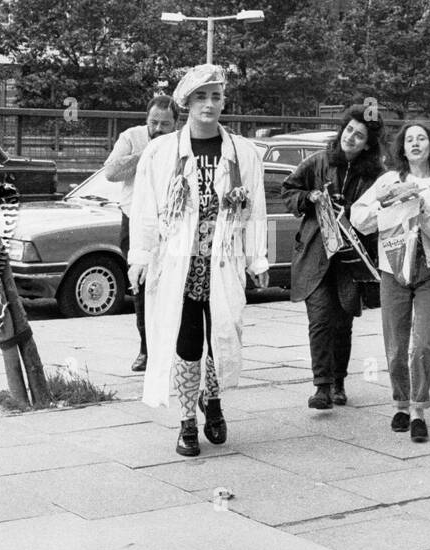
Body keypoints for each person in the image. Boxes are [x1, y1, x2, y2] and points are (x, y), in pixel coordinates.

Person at [128, 64, 268, 457]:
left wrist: (258, 259)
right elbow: (145, 209)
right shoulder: (161, 152)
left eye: (216, 97)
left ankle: (215, 401)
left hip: (223, 261)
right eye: (200, 97)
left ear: (224, 102)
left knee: (221, 337)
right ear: (186, 103)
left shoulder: (243, 152)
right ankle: (188, 419)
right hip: (179, 264)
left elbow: (255, 209)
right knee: (187, 342)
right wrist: (139, 256)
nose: (209, 104)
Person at [351, 121, 430, 442]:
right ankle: (400, 404)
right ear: (401, 148)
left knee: (424, 343)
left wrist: (423, 205)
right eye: (409, 139)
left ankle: (418, 409)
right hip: (393, 269)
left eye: (422, 139)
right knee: (396, 345)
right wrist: (384, 203)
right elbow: (359, 218)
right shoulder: (388, 180)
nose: (415, 144)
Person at [282, 105, 382, 409]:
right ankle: (322, 387)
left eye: (359, 135)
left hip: (350, 259)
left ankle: (338, 380)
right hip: (315, 254)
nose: (351, 137)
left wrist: (355, 214)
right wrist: (308, 198)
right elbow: (288, 190)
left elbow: (380, 211)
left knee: (342, 322)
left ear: (367, 144)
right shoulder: (318, 162)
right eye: (349, 130)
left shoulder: (375, 175)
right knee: (320, 319)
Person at [103, 94, 177, 371]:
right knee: (141, 286)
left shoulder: (179, 142)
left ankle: (171, 349)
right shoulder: (131, 137)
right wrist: (146, 153)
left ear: (175, 124)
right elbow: (110, 172)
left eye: (165, 125)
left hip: (169, 224)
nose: (158, 129)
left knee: (171, 287)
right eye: (153, 122)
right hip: (134, 221)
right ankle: (146, 350)